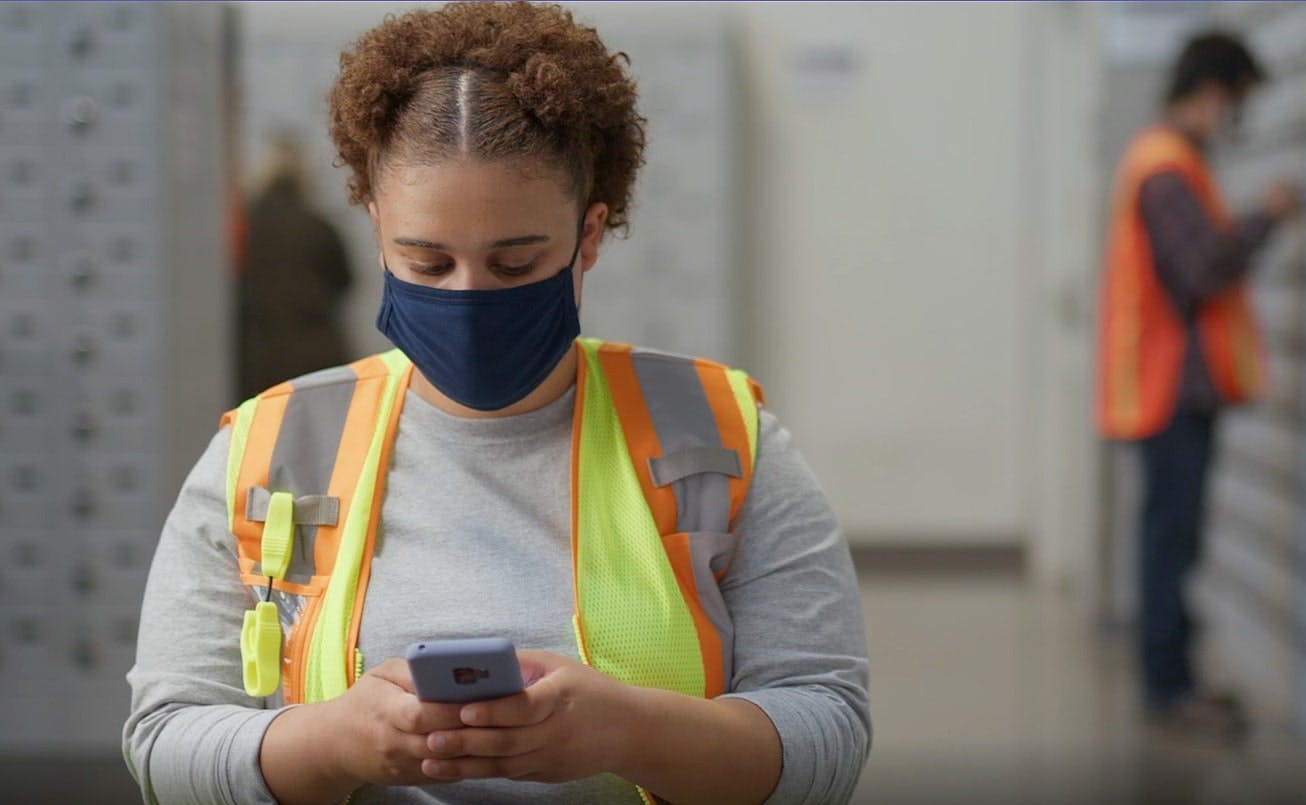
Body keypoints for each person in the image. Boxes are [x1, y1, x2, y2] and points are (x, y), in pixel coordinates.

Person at [123, 4, 870, 804]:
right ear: (377, 233)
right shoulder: (269, 447)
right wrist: (335, 741)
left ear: (588, 237)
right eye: (428, 261)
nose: (469, 295)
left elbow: (827, 728)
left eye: (515, 263)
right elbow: (166, 737)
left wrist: (627, 730)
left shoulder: (722, 437)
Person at [1096, 31, 1300, 736]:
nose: (1235, 118)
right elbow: (1202, 268)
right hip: (1168, 387)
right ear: (1213, 91)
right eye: (1237, 103)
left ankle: (1173, 675)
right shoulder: (1166, 167)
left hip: (1172, 386)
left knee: (1172, 534)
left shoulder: (1170, 162)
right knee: (1170, 538)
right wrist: (1266, 217)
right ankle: (1168, 684)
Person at [237, 132, 354, 400]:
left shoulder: (245, 226)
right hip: (315, 351)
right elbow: (346, 281)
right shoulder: (317, 224)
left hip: (258, 353)